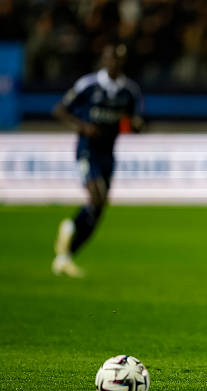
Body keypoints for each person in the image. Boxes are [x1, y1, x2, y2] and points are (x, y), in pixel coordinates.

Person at [51, 43, 144, 277]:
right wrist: (83, 127)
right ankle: (70, 231)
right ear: (104, 59)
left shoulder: (129, 90)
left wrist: (135, 125)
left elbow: (133, 120)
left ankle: (66, 255)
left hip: (108, 153)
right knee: (96, 196)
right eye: (111, 58)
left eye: (119, 59)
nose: (114, 63)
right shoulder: (88, 84)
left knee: (99, 208)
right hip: (87, 150)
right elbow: (59, 110)